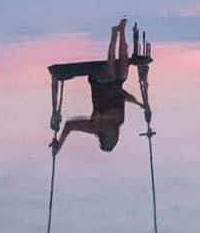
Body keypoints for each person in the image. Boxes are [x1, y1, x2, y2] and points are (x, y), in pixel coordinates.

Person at [51, 20, 146, 153]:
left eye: (112, 137)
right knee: (123, 73)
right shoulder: (119, 120)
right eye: (116, 137)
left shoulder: (94, 127)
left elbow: (69, 125)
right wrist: (139, 103)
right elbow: (121, 95)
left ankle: (114, 35)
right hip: (116, 83)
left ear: (105, 135)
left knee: (112, 74)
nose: (115, 134)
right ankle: (122, 31)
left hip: (99, 82)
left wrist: (59, 146)